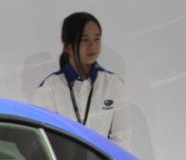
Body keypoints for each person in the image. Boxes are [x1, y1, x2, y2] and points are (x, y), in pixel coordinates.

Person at [33, 12, 130, 148]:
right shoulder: (49, 89)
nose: (92, 46)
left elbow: (122, 141)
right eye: (85, 40)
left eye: (97, 39)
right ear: (68, 46)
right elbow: (46, 141)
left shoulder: (113, 84)